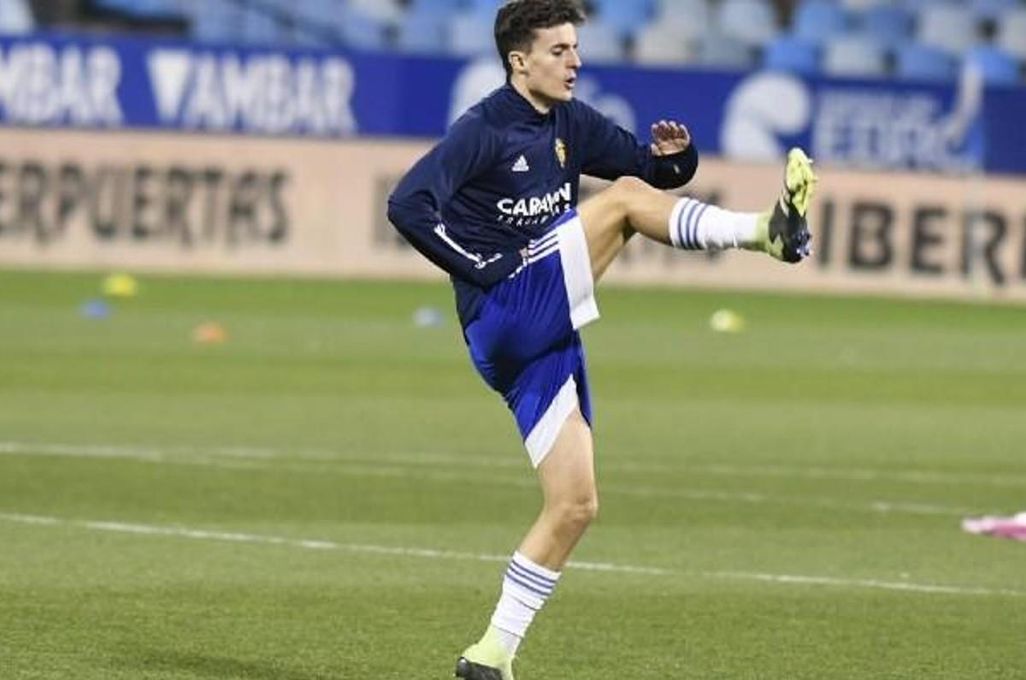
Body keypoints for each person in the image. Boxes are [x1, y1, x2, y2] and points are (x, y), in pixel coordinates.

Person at [386, 2, 816, 678]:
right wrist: (477, 267)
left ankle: (491, 655)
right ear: (519, 60)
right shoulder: (483, 129)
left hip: (544, 333)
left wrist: (677, 160)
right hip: (504, 309)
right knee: (619, 200)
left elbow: (650, 172)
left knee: (575, 504)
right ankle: (765, 232)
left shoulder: (571, 123)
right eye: (558, 50)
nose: (575, 62)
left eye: (575, 49)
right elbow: (407, 204)